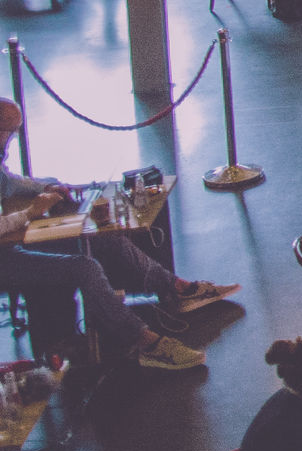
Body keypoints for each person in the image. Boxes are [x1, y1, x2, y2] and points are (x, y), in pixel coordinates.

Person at [0, 126, 227, 370]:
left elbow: (9, 181)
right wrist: (30, 212)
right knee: (84, 268)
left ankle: (175, 287)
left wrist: (47, 187)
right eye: (8, 132)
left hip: (9, 247)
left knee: (103, 238)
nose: (9, 142)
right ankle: (144, 342)